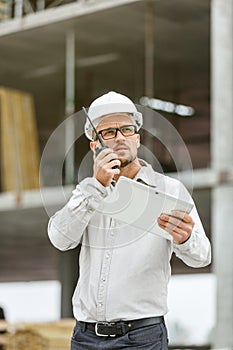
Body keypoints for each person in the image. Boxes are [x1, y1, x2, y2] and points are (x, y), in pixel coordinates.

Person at [48, 91, 211, 350]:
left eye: (126, 129)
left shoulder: (169, 190)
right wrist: (97, 186)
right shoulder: (86, 193)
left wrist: (186, 239)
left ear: (137, 138)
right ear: (95, 145)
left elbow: (202, 256)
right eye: (109, 132)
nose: (120, 137)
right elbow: (60, 239)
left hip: (142, 338)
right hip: (85, 337)